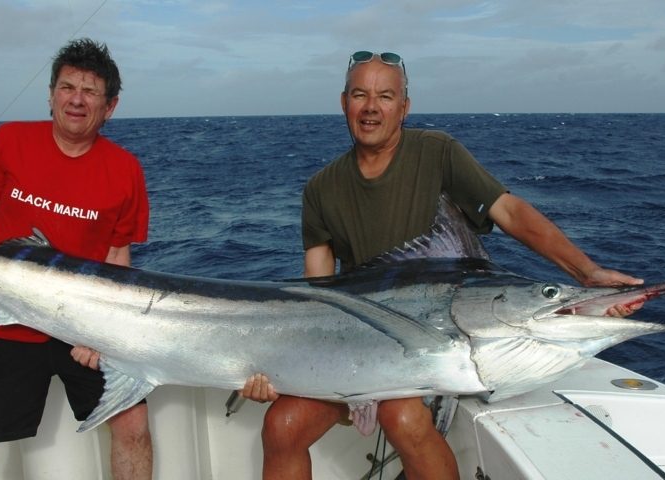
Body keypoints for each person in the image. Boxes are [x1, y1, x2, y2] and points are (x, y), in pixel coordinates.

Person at [242, 50, 644, 480]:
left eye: (385, 96)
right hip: (359, 353)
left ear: (404, 107)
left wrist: (585, 274)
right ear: (344, 103)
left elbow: (509, 212)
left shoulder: (438, 152)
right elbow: (316, 294)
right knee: (280, 426)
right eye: (360, 95)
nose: (372, 107)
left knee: (401, 415)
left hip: (438, 348)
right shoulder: (320, 188)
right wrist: (272, 371)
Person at [0, 38, 152, 479]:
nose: (76, 99)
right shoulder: (10, 140)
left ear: (110, 106)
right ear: (51, 94)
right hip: (4, 321)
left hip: (84, 330)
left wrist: (107, 334)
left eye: (90, 91)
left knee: (133, 427)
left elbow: (118, 256)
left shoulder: (126, 170)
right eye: (66, 87)